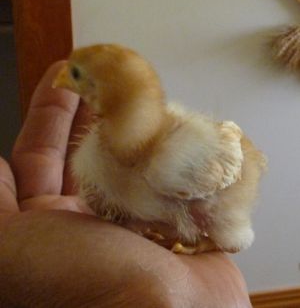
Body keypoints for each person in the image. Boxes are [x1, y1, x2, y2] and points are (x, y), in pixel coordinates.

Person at [0, 62, 252, 307]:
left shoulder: (173, 157)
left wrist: (211, 242)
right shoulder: (95, 164)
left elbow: (236, 231)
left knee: (214, 219)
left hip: (214, 174)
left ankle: (208, 239)